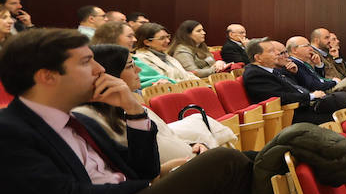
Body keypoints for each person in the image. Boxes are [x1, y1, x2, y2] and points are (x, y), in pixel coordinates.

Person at [0, 28, 275, 194]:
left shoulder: (79, 122)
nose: (99, 70)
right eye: (86, 62)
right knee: (222, 160)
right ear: (47, 76)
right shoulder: (11, 131)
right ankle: (284, 172)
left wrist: (133, 110)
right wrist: (146, 186)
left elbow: (145, 169)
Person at [75, 44, 230, 166]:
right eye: (130, 66)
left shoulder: (130, 106)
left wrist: (195, 144)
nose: (139, 70)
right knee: (230, 159)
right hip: (172, 178)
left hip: (188, 161)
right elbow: (142, 168)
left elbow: (167, 137)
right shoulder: (92, 120)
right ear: (111, 74)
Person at [242, 39, 346, 124]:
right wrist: (311, 96)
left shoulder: (271, 70)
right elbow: (278, 98)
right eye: (271, 51)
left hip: (304, 105)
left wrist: (291, 73)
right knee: (342, 112)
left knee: (344, 102)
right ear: (258, 57)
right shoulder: (255, 74)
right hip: (292, 115)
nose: (277, 53)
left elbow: (292, 87)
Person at [132, 22, 196, 87]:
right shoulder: (141, 59)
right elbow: (164, 80)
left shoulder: (166, 56)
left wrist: (200, 83)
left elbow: (186, 75)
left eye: (168, 37)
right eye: (162, 38)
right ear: (147, 42)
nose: (168, 41)